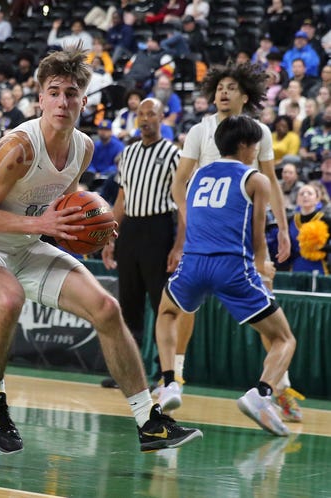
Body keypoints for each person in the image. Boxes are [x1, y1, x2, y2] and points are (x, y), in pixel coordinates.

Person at [0, 44, 202, 455]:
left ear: (84, 101)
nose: (62, 101)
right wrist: (43, 224)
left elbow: (63, 205)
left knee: (107, 309)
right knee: (9, 300)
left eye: (71, 93)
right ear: (40, 99)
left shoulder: (82, 147)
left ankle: (148, 421)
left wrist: (89, 229)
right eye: (54, 91)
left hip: (28, 245)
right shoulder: (18, 148)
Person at [165, 62, 304, 423]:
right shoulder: (200, 129)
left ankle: (279, 387)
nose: (223, 92)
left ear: (245, 95)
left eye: (231, 87)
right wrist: (190, 220)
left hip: (245, 221)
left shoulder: (257, 131)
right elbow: (180, 183)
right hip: (208, 223)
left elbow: (270, 181)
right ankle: (175, 378)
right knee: (187, 308)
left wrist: (284, 229)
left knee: (266, 306)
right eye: (219, 87)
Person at [100, 98, 192, 388]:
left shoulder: (173, 154)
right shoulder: (127, 154)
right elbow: (121, 200)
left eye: (151, 114)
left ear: (162, 118)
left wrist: (179, 246)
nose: (145, 119)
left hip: (159, 229)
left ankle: (162, 374)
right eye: (141, 114)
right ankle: (130, 372)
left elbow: (183, 206)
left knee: (160, 303)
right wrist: (109, 238)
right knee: (128, 304)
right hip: (130, 230)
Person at [286, 183, 331, 274]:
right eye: (301, 194)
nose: (305, 196)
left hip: (320, 268)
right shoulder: (290, 220)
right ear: (297, 200)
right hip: (296, 268)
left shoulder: (326, 220)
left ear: (317, 199)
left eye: (309, 193)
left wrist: (321, 248)